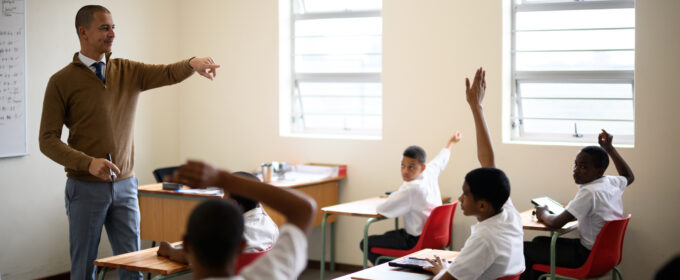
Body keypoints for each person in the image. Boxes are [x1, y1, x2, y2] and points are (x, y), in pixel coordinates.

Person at [38, 5, 220, 279]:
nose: (112, 33)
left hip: (125, 186)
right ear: (83, 32)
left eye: (113, 27)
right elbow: (47, 140)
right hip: (85, 188)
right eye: (104, 28)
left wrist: (192, 63)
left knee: (135, 265)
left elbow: (167, 73)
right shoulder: (61, 82)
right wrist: (88, 163)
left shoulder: (128, 71)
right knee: (83, 268)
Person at [424, 67, 525, 280]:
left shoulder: (484, 240)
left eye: (465, 194)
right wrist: (476, 107)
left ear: (482, 205)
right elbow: (488, 161)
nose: (459, 199)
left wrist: (444, 271)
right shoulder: (506, 213)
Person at [167, 160, 316, 279]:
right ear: (240, 246)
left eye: (225, 195)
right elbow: (304, 209)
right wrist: (222, 178)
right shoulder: (269, 269)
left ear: (187, 246)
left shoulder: (232, 231)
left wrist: (169, 250)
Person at [521, 129, 635, 280]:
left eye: (584, 167)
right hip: (606, 256)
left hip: (586, 257)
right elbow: (629, 176)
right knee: (539, 242)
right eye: (575, 165)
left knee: (522, 249)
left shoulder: (589, 192)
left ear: (599, 171)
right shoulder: (609, 182)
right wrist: (609, 149)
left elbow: (556, 223)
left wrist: (543, 213)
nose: (576, 170)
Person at [359, 132, 461, 264]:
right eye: (403, 165)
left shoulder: (411, 188)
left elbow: (383, 209)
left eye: (411, 167)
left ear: (422, 167)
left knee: (366, 242)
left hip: (416, 241)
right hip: (438, 239)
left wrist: (393, 196)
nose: (405, 171)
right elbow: (442, 158)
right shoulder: (430, 171)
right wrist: (451, 142)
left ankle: (389, 274)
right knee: (389, 236)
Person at [156, 171, 279, 263]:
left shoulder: (231, 234)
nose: (222, 198)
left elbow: (190, 256)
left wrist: (168, 250)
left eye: (224, 195)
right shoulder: (270, 225)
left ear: (234, 205)